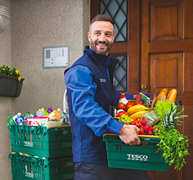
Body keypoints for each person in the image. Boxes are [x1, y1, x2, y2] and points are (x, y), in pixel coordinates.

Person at [64, 14, 152, 180]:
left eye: (107, 34)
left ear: (113, 38)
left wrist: (141, 99)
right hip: (92, 157)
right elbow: (85, 107)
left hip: (113, 151)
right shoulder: (80, 70)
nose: (102, 38)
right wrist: (120, 128)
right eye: (97, 33)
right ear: (89, 36)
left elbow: (107, 97)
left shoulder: (103, 66)